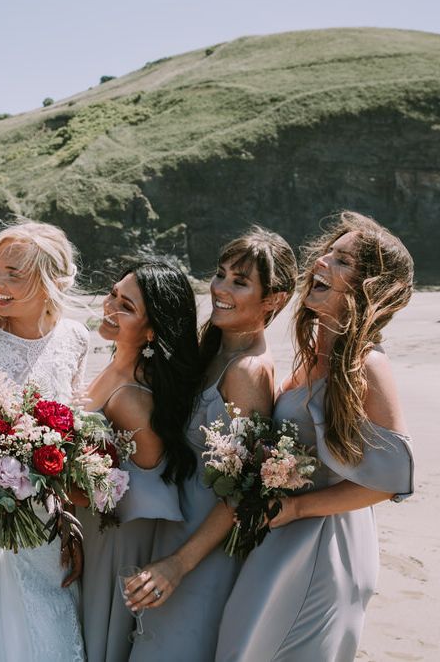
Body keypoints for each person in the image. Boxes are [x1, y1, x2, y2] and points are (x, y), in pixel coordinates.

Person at [216, 211, 415, 661]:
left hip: (324, 542)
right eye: (328, 251)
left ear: (370, 286)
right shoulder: (314, 354)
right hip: (285, 532)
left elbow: (390, 481)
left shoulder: (367, 363)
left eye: (342, 261)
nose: (321, 261)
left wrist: (297, 506)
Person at [124, 228, 298, 661]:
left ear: (273, 299)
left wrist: (178, 565)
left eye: (240, 282)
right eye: (220, 274)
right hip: (170, 530)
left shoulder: (248, 371)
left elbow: (244, 491)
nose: (220, 288)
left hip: (202, 554)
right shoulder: (212, 348)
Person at [0, 219, 88, 662]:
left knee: (56, 624)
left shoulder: (76, 339)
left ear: (51, 282)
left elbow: (79, 429)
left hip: (53, 525)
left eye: (16, 274)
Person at [77, 259, 203, 662]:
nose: (110, 308)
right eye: (113, 295)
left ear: (151, 330)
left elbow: (141, 489)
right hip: (91, 533)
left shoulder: (135, 398)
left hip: (114, 541)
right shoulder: (116, 367)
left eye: (126, 307)